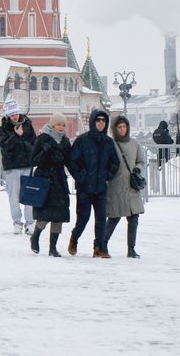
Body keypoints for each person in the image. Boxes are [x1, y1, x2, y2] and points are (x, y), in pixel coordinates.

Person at [68, 109, 119, 257]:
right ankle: (74, 239)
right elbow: (72, 161)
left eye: (104, 120)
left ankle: (99, 247)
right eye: (98, 120)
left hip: (101, 187)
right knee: (83, 218)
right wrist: (81, 176)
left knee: (101, 219)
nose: (101, 123)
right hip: (85, 188)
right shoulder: (82, 140)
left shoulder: (108, 142)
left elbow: (115, 162)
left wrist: (107, 175)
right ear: (92, 122)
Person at [28, 113, 72, 257]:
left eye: (63, 125)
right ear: (52, 125)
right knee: (45, 214)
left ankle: (53, 247)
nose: (61, 127)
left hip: (59, 180)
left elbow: (69, 162)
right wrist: (44, 152)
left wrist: (79, 175)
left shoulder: (65, 142)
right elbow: (34, 160)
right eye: (59, 124)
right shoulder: (42, 139)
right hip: (44, 179)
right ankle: (35, 237)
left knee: (58, 215)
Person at [104, 115, 146, 259]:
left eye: (124, 126)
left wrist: (138, 169)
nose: (122, 129)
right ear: (115, 129)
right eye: (119, 127)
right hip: (116, 187)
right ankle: (101, 245)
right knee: (114, 218)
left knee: (134, 218)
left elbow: (141, 160)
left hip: (132, 186)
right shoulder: (110, 144)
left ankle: (131, 249)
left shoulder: (134, 143)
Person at [0, 101, 36, 234]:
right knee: (13, 196)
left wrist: (31, 153)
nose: (15, 116)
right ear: (8, 115)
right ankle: (17, 222)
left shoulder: (28, 125)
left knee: (29, 195)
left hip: (27, 164)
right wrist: (16, 135)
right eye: (12, 114)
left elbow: (34, 143)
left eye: (16, 113)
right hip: (12, 166)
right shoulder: (2, 129)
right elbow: (5, 147)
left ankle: (30, 222)